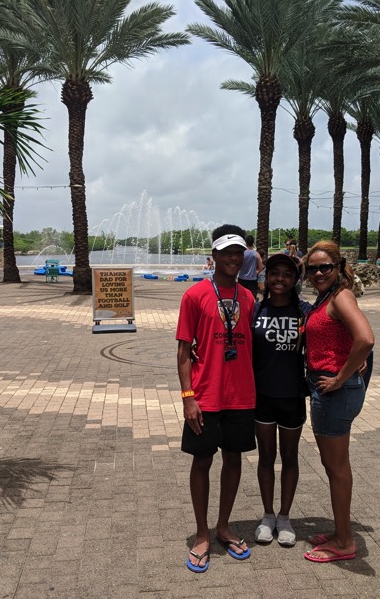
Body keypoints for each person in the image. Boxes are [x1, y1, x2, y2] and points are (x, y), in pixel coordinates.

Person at [176, 224, 257, 573]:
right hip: (205, 396)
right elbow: (182, 353)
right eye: (226, 253)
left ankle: (224, 525)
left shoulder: (249, 298)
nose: (233, 258)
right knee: (202, 462)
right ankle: (201, 533)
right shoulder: (194, 296)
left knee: (234, 459)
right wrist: (187, 397)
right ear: (214, 257)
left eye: (238, 252)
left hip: (241, 395)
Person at [302, 240, 375, 563]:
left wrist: (341, 377)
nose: (318, 272)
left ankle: (344, 542)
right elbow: (353, 342)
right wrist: (351, 365)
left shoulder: (341, 297)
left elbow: (366, 339)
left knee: (337, 468)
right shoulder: (326, 298)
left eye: (325, 267)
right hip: (329, 390)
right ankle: (340, 531)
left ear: (338, 267)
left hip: (334, 392)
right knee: (333, 466)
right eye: (312, 268)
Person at [251, 254, 312, 547]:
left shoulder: (305, 311)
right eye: (273, 273)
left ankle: (285, 517)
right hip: (261, 396)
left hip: (292, 397)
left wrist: (360, 361)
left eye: (286, 274)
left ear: (295, 280)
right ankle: (267, 515)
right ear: (265, 277)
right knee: (266, 457)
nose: (279, 279)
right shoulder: (255, 310)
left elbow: (333, 335)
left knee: (289, 457)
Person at [238, 234, 263, 299]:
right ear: (253, 243)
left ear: (245, 242)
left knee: (241, 298)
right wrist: (256, 272)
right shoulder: (256, 254)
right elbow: (261, 267)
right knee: (252, 298)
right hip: (252, 279)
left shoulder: (242, 253)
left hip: (242, 278)